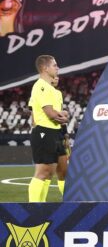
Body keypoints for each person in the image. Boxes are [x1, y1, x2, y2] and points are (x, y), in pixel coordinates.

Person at [27, 55, 68, 202]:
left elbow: (58, 115)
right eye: (55, 65)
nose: (57, 68)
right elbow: (51, 113)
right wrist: (62, 116)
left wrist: (62, 120)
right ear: (45, 68)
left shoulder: (54, 91)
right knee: (44, 172)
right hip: (45, 131)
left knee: (63, 171)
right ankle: (34, 207)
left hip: (56, 132)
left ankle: (68, 203)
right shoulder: (41, 86)